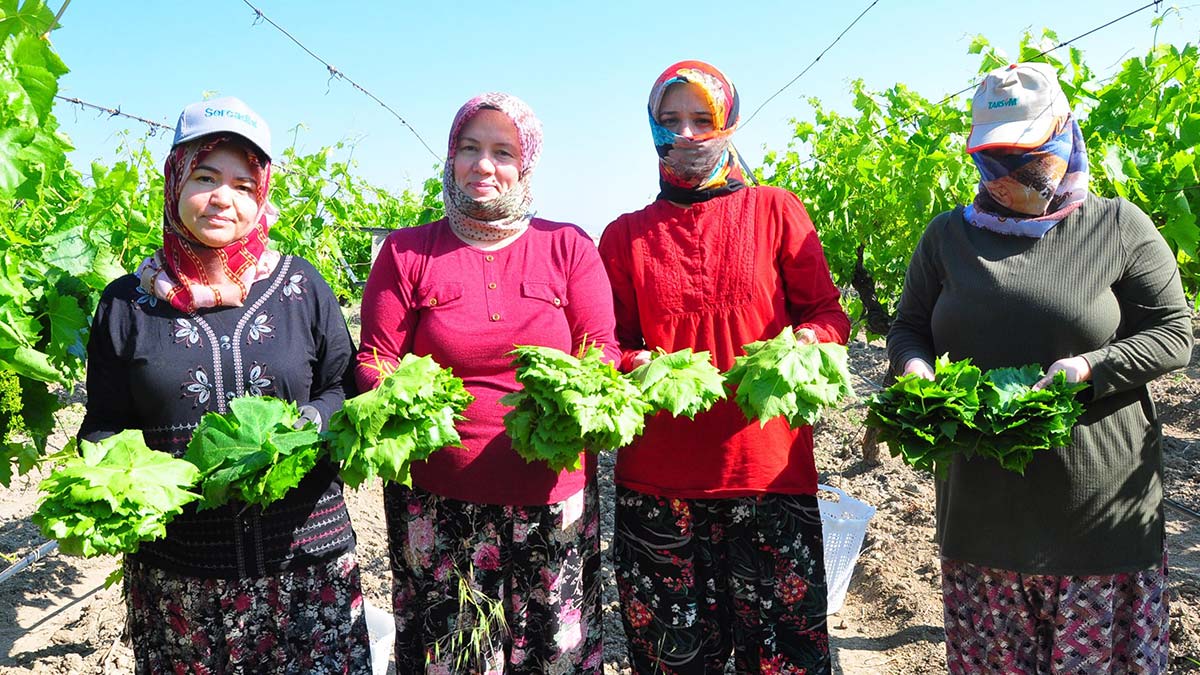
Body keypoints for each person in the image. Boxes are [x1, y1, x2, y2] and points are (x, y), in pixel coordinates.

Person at [887, 62, 1194, 674]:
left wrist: (1089, 368)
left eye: (1024, 157)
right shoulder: (947, 237)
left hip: (1097, 522)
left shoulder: (1118, 226)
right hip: (981, 523)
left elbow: (1174, 336)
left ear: (1062, 136)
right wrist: (914, 366)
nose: (1003, 178)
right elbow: (907, 327)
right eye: (990, 159)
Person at [78, 97, 370, 673]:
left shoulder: (300, 286)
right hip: (181, 578)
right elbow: (104, 421)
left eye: (242, 184)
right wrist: (119, 475)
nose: (223, 199)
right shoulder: (126, 303)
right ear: (176, 180)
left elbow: (344, 385)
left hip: (306, 567)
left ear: (260, 196)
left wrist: (307, 425)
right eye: (206, 177)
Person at [598, 60, 850, 674]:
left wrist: (804, 346)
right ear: (652, 129)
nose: (685, 134)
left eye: (701, 119)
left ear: (729, 123)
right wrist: (642, 362)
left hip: (767, 473)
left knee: (783, 658)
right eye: (670, 121)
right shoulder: (624, 236)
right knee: (674, 660)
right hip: (659, 484)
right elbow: (608, 344)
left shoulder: (776, 211)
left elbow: (826, 313)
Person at [356, 92, 616, 673]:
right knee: (453, 653)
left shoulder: (568, 246)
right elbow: (376, 358)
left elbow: (600, 349)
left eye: (503, 152)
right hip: (438, 498)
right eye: (469, 149)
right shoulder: (407, 251)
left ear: (524, 166)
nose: (483, 165)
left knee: (554, 650)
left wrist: (582, 391)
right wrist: (403, 398)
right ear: (450, 158)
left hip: (550, 495)